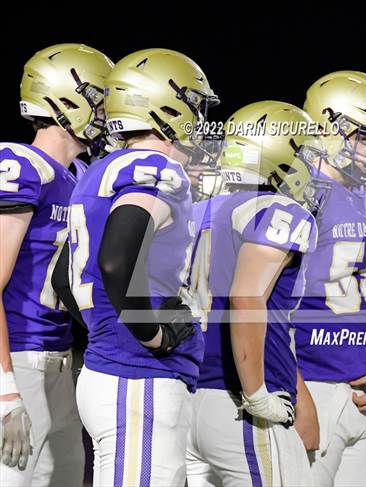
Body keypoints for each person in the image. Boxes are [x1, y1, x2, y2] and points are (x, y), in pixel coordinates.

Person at [66, 48, 218, 486]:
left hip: (114, 373)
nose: (199, 118)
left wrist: (106, 328)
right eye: (194, 104)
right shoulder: (155, 167)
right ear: (166, 107)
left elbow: (64, 277)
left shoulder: (97, 170)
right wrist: (152, 333)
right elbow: (116, 261)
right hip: (137, 377)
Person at [185, 100, 320, 486]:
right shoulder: (277, 210)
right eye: (305, 154)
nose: (311, 167)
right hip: (241, 402)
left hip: (190, 396)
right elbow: (246, 299)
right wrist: (258, 392)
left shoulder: (197, 210)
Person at [0, 43, 112, 486]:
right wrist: (4, 388)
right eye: (99, 100)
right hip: (18, 356)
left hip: (62, 359)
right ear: (65, 100)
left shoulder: (81, 174)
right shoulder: (22, 166)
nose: (107, 113)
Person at [294, 70, 366, 486]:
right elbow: (267, 304)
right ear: (327, 129)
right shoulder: (300, 193)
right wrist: (297, 391)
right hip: (312, 382)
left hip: (363, 389)